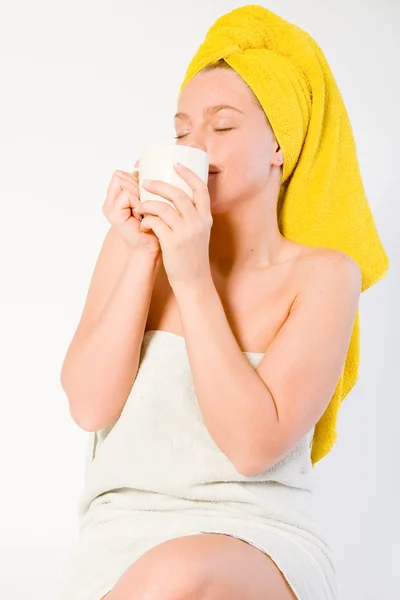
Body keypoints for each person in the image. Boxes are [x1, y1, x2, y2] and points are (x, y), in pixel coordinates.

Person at [57, 6, 389, 600]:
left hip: (259, 542)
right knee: (165, 574)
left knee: (181, 572)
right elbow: (89, 406)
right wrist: (142, 258)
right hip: (119, 539)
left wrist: (191, 276)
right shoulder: (135, 247)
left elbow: (251, 446)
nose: (195, 145)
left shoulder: (323, 277)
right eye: (183, 130)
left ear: (280, 147)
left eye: (223, 127)